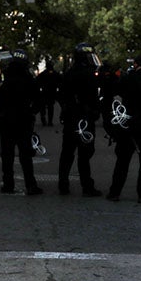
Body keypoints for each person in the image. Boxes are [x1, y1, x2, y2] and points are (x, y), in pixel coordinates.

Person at [105, 56, 141, 203]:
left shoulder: (126, 78)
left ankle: (115, 192)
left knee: (123, 160)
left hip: (128, 123)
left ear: (135, 64)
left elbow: (115, 95)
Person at [0, 49, 43, 195]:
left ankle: (8, 185)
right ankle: (30, 185)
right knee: (25, 155)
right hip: (23, 121)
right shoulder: (29, 80)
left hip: (6, 121)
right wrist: (31, 112)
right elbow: (38, 101)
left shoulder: (8, 80)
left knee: (7, 155)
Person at [56, 42, 103, 197]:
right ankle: (86, 186)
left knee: (67, 153)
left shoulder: (69, 74)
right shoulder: (89, 75)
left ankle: (63, 184)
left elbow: (61, 95)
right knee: (84, 154)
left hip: (71, 118)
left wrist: (67, 108)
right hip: (85, 118)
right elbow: (94, 98)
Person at [37, 62, 61, 127]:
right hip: (51, 93)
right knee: (50, 107)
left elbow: (37, 82)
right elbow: (60, 82)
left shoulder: (43, 74)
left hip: (45, 93)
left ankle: (44, 118)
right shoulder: (55, 74)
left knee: (44, 107)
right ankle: (49, 121)